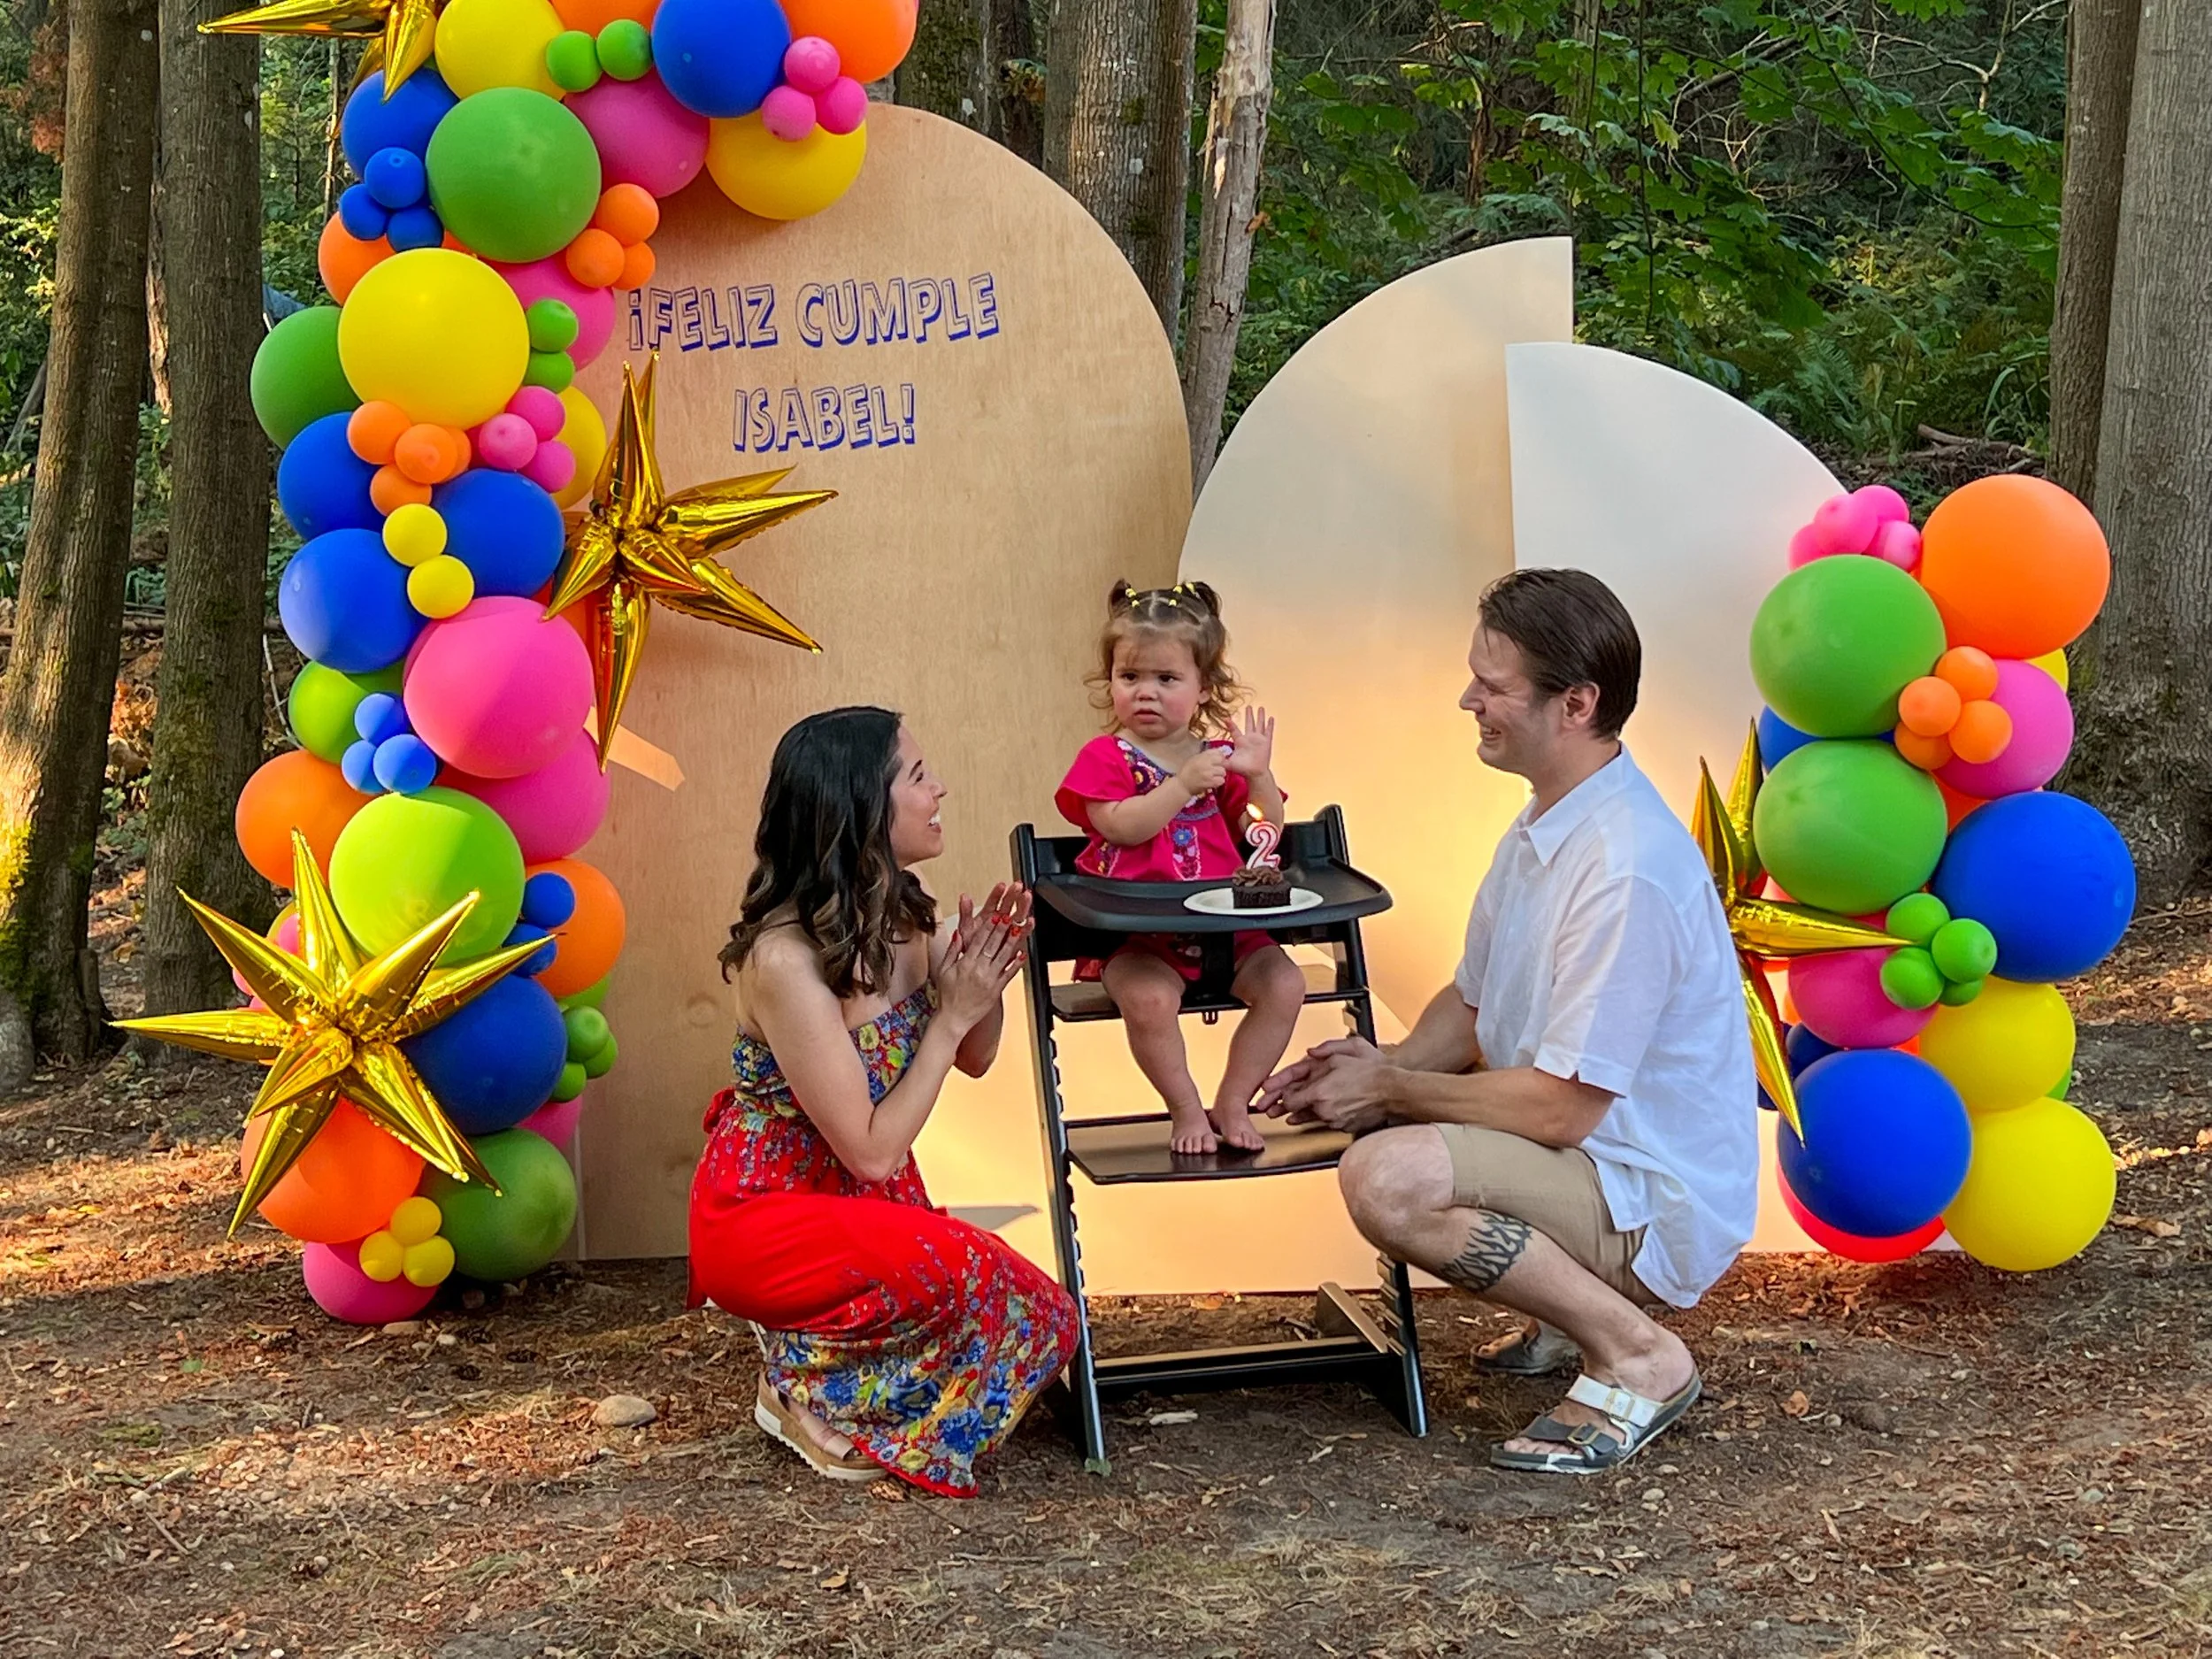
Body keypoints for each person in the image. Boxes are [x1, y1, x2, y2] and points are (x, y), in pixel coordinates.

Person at [1259, 568, 1757, 1475]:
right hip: (1587, 1163)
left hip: (1648, 1198)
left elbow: (1563, 1112)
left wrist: (1395, 1095)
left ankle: (1641, 1354)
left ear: (1575, 704)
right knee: (1387, 1138)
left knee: (1389, 1181)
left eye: (1493, 687)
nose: (1468, 700)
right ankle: (1571, 1327)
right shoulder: (1546, 823)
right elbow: (1474, 1001)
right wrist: (1381, 1070)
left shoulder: (1625, 867)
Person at [687, 706, 1079, 1496]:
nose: (942, 789)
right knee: (974, 1273)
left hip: (865, 1198)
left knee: (1046, 1315)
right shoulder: (783, 958)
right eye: (918, 775)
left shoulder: (906, 904)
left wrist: (979, 978)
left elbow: (976, 1054)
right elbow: (871, 1147)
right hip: (767, 1211)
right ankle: (800, 1383)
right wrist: (952, 1013)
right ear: (862, 804)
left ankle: (815, 1359)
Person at [1055, 580, 1307, 1156]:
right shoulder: (1104, 758)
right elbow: (1121, 825)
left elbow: (1262, 829)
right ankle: (1186, 1106)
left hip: (1226, 927)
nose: (1146, 693)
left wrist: (1260, 776)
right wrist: (1181, 786)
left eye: (1166, 679)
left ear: (1203, 688)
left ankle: (1234, 1099)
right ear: (1110, 681)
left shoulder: (1217, 759)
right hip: (1137, 935)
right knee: (1146, 1002)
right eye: (1130, 677)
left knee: (1286, 983)